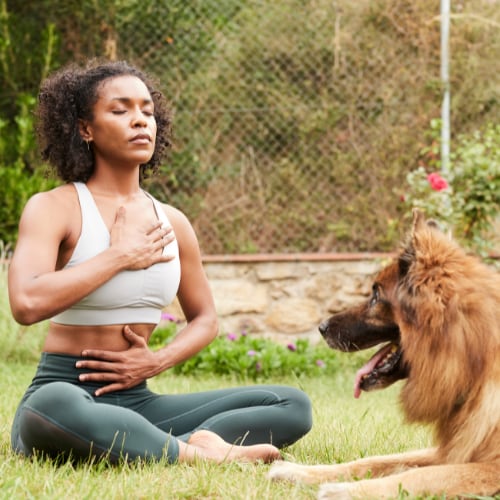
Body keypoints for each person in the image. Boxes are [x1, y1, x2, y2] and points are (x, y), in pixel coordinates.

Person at [8, 60, 312, 465]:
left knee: (291, 404)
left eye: (147, 112)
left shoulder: (173, 222)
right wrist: (119, 255)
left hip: (138, 401)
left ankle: (161, 446)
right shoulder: (53, 207)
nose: (140, 122)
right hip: (69, 390)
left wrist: (157, 360)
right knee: (51, 406)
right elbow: (26, 303)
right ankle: (194, 453)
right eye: (121, 111)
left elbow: (205, 319)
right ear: (85, 129)